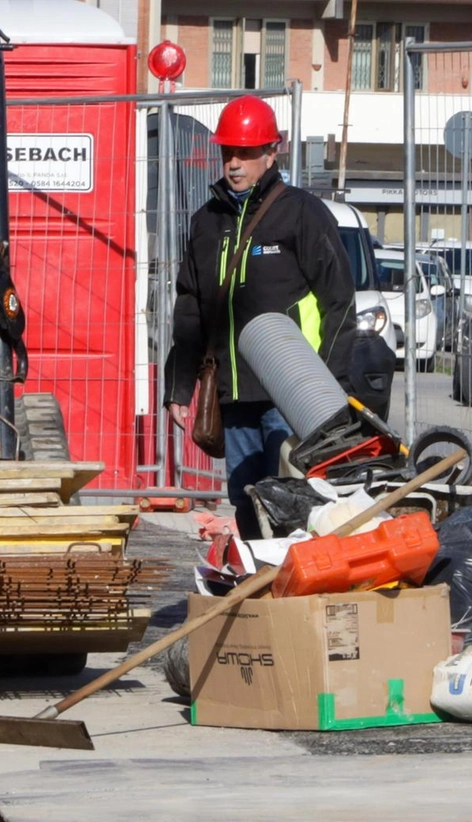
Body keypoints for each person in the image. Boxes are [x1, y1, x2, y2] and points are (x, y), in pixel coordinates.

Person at [162, 96, 357, 539]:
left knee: (295, 500)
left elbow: (339, 301)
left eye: (246, 153)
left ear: (272, 152)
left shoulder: (302, 213)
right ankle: (256, 591)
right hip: (232, 395)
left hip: (292, 396)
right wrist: (179, 385)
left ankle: (293, 594)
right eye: (228, 152)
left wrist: (329, 386)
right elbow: (190, 306)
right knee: (247, 502)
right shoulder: (205, 223)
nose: (234, 163)